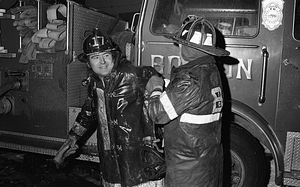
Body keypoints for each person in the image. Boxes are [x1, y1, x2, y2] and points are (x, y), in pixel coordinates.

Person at [53, 28, 164, 187]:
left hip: (139, 161)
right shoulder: (93, 82)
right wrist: (73, 137)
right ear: (88, 62)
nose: (102, 62)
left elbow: (154, 76)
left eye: (106, 55)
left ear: (114, 56)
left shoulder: (131, 74)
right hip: (110, 159)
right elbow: (89, 111)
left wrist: (156, 94)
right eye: (95, 57)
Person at [145, 16, 230, 187]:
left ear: (185, 47)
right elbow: (192, 102)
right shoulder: (212, 70)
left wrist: (155, 88)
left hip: (187, 172)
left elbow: (157, 113)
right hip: (208, 164)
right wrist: (169, 87)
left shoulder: (190, 79)